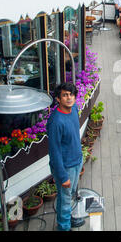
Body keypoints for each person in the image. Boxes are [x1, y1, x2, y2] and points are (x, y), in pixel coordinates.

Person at [47, 82, 84, 231]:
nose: (69, 98)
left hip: (77, 161)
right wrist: (62, 176)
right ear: (58, 99)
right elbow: (54, 151)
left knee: (71, 194)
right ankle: (63, 227)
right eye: (65, 95)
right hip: (65, 167)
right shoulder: (56, 121)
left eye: (71, 94)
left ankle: (68, 219)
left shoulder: (74, 109)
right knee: (65, 198)